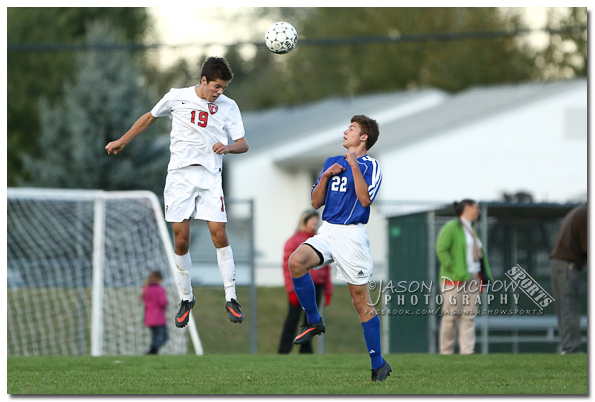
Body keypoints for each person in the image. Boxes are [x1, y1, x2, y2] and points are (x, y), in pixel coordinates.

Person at [106, 56, 249, 327]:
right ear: (203, 80)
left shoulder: (229, 107)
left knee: (219, 233)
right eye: (216, 87)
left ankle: (231, 296)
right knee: (181, 240)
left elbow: (243, 144)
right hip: (179, 178)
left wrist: (227, 147)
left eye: (224, 88)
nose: (220, 93)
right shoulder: (176, 97)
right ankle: (186, 298)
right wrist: (122, 141)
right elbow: (149, 118)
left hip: (209, 177)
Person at [287, 115, 391, 381]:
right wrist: (324, 176)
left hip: (352, 236)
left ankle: (378, 364)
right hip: (328, 230)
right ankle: (313, 319)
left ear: (363, 137)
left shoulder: (371, 165)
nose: (346, 132)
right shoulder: (331, 162)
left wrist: (354, 166)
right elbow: (315, 202)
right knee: (296, 262)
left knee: (361, 303)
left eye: (352, 129)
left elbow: (365, 199)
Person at [435, 199, 493, 355]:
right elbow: (441, 250)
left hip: (473, 278)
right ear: (467, 208)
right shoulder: (451, 227)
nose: (478, 211)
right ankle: (446, 352)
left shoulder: (472, 228)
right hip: (454, 280)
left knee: (469, 317)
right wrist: (455, 268)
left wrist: (484, 274)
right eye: (476, 208)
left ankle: (467, 352)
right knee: (450, 317)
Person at [278, 210, 333, 354]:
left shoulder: (321, 240)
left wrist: (328, 289)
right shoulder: (294, 241)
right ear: (304, 221)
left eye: (316, 221)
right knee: (292, 319)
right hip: (300, 287)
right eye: (312, 220)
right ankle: (284, 350)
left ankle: (306, 351)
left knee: (311, 321)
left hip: (317, 286)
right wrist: (291, 289)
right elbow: (287, 266)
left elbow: (327, 269)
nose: (314, 223)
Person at [550, 203, 587, 354]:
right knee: (569, 307)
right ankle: (571, 348)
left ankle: (568, 347)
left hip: (560, 264)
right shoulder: (586, 215)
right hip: (568, 266)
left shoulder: (579, 211)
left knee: (565, 308)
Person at [141, 271, 169, 355]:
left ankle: (153, 352)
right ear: (159, 279)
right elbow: (163, 302)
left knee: (154, 337)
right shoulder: (160, 289)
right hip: (158, 317)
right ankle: (153, 348)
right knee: (165, 337)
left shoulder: (146, 289)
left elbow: (143, 301)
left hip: (148, 317)